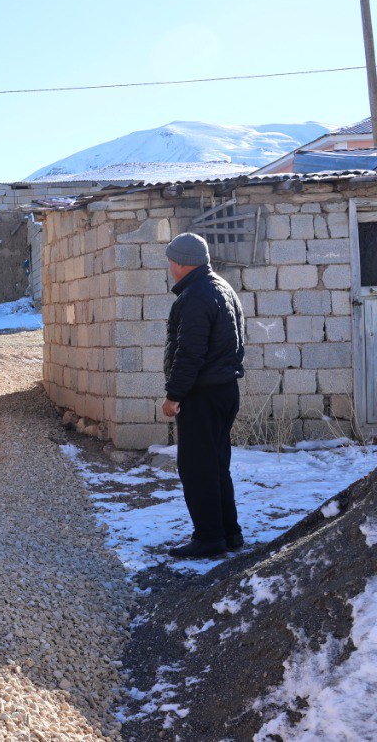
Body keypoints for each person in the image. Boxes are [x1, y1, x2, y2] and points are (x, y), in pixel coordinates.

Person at [161, 232, 246, 559]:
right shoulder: (222, 288)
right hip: (224, 391)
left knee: (197, 468)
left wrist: (174, 395)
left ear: (182, 263)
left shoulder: (196, 296)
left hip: (203, 394)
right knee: (216, 465)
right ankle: (229, 533)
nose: (170, 267)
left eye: (171, 261)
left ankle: (209, 538)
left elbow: (190, 353)